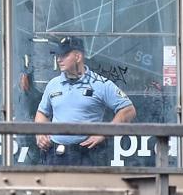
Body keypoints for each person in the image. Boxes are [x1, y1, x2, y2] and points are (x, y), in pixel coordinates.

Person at [34, 36, 137, 167]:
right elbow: (42, 113)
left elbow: (128, 110)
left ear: (78, 56)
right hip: (55, 154)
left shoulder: (100, 84)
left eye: (64, 55)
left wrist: (105, 132)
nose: (59, 59)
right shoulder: (53, 84)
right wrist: (40, 133)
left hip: (87, 155)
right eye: (58, 55)